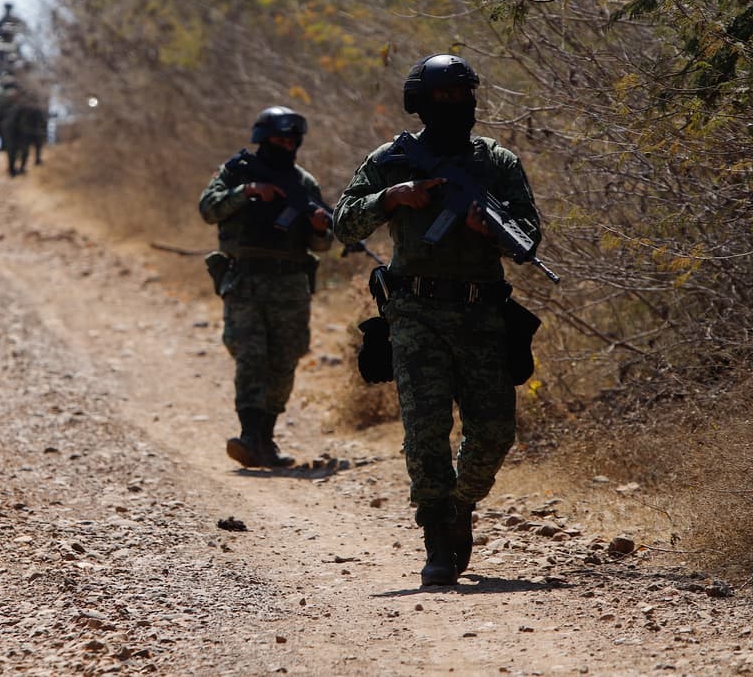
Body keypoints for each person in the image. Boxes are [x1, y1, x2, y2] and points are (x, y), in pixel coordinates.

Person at [332, 53, 543, 586]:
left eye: (463, 96)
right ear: (421, 103)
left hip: (482, 313)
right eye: (444, 97)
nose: (456, 105)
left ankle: (459, 505)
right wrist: (392, 196)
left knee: (494, 432)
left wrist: (489, 229)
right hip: (415, 312)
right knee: (425, 432)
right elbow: (343, 222)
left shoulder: (495, 162)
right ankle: (435, 542)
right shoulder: (394, 158)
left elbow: (527, 235)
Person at [198, 107, 332, 469]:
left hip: (290, 283)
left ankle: (266, 439)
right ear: (262, 138)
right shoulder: (237, 171)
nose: (286, 145)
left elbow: (321, 246)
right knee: (250, 355)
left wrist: (320, 226)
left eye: (292, 140)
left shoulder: (303, 183)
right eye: (279, 139)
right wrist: (247, 192)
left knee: (284, 359)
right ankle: (249, 435)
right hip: (245, 280)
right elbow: (208, 209)